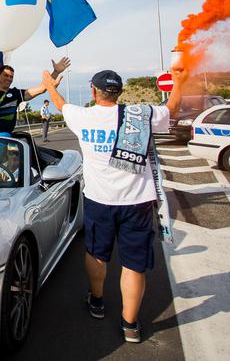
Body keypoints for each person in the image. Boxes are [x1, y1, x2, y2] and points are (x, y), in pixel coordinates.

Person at [41, 64, 188, 344]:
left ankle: (96, 301)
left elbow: (61, 104)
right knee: (133, 265)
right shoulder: (141, 115)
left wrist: (49, 83)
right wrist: (180, 81)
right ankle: (130, 324)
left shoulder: (83, 116)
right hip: (138, 203)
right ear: (119, 93)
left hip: (99, 201)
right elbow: (172, 108)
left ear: (93, 91)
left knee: (97, 254)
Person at [0, 50, 70, 179]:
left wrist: (56, 72)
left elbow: (42, 88)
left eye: (11, 77)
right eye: (6, 75)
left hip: (2, 137)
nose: (9, 79)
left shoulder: (16, 94)